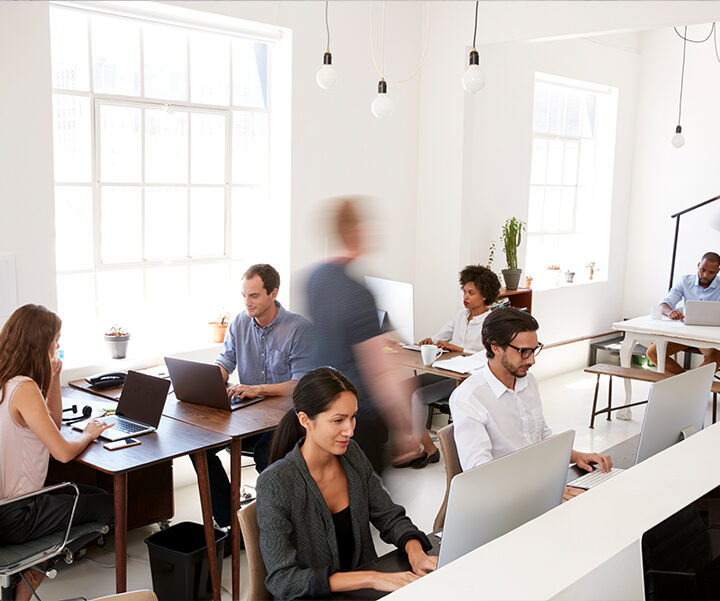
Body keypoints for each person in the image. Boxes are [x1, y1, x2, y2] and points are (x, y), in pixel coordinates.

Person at [256, 367, 436, 600]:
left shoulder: (352, 455)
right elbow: (283, 579)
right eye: (338, 420)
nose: (350, 431)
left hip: (359, 594)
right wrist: (372, 578)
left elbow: (390, 517)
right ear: (305, 420)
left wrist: (417, 553)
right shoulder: (275, 483)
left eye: (353, 417)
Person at [0, 305, 114, 601]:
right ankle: (24, 590)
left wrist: (52, 378)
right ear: (41, 343)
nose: (59, 345)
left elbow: (53, 424)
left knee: (90, 494)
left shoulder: (8, 381)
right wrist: (89, 434)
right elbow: (62, 452)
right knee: (111, 507)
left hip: (7, 507)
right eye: (56, 339)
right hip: (18, 513)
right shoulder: (23, 388)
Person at [194, 263, 313, 529]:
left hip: (285, 416)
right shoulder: (239, 323)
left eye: (254, 296)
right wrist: (209, 379)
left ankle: (281, 523)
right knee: (199, 447)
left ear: (273, 293)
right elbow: (226, 361)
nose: (247, 303)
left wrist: (257, 389)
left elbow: (300, 383)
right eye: (244, 296)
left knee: (265, 452)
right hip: (247, 412)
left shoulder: (298, 328)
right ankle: (231, 521)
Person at [450, 307, 612, 501]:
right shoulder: (468, 398)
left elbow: (540, 436)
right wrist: (543, 495)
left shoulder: (528, 382)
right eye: (524, 352)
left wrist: (576, 456)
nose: (532, 360)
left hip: (537, 484)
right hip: (503, 497)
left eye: (534, 350)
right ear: (495, 347)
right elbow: (480, 473)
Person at [305, 198, 418, 473]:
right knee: (366, 504)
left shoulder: (315, 279)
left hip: (320, 413)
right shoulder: (357, 293)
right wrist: (406, 428)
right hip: (356, 419)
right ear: (356, 231)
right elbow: (380, 372)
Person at [404, 265, 501, 468]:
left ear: (484, 296)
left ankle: (418, 449)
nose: (465, 297)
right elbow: (440, 338)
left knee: (417, 396)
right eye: (464, 292)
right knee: (401, 389)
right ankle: (429, 447)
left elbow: (488, 356)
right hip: (446, 372)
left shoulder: (491, 321)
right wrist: (430, 342)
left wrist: (457, 348)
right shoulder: (460, 316)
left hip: (466, 380)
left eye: (471, 293)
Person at [647, 251, 720, 375]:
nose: (705, 275)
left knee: (715, 358)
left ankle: (688, 386)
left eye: (711, 272)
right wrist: (669, 312)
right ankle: (687, 384)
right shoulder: (685, 281)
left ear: (717, 271)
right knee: (652, 353)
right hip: (685, 332)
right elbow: (664, 304)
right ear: (698, 265)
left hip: (710, 337)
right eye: (703, 270)